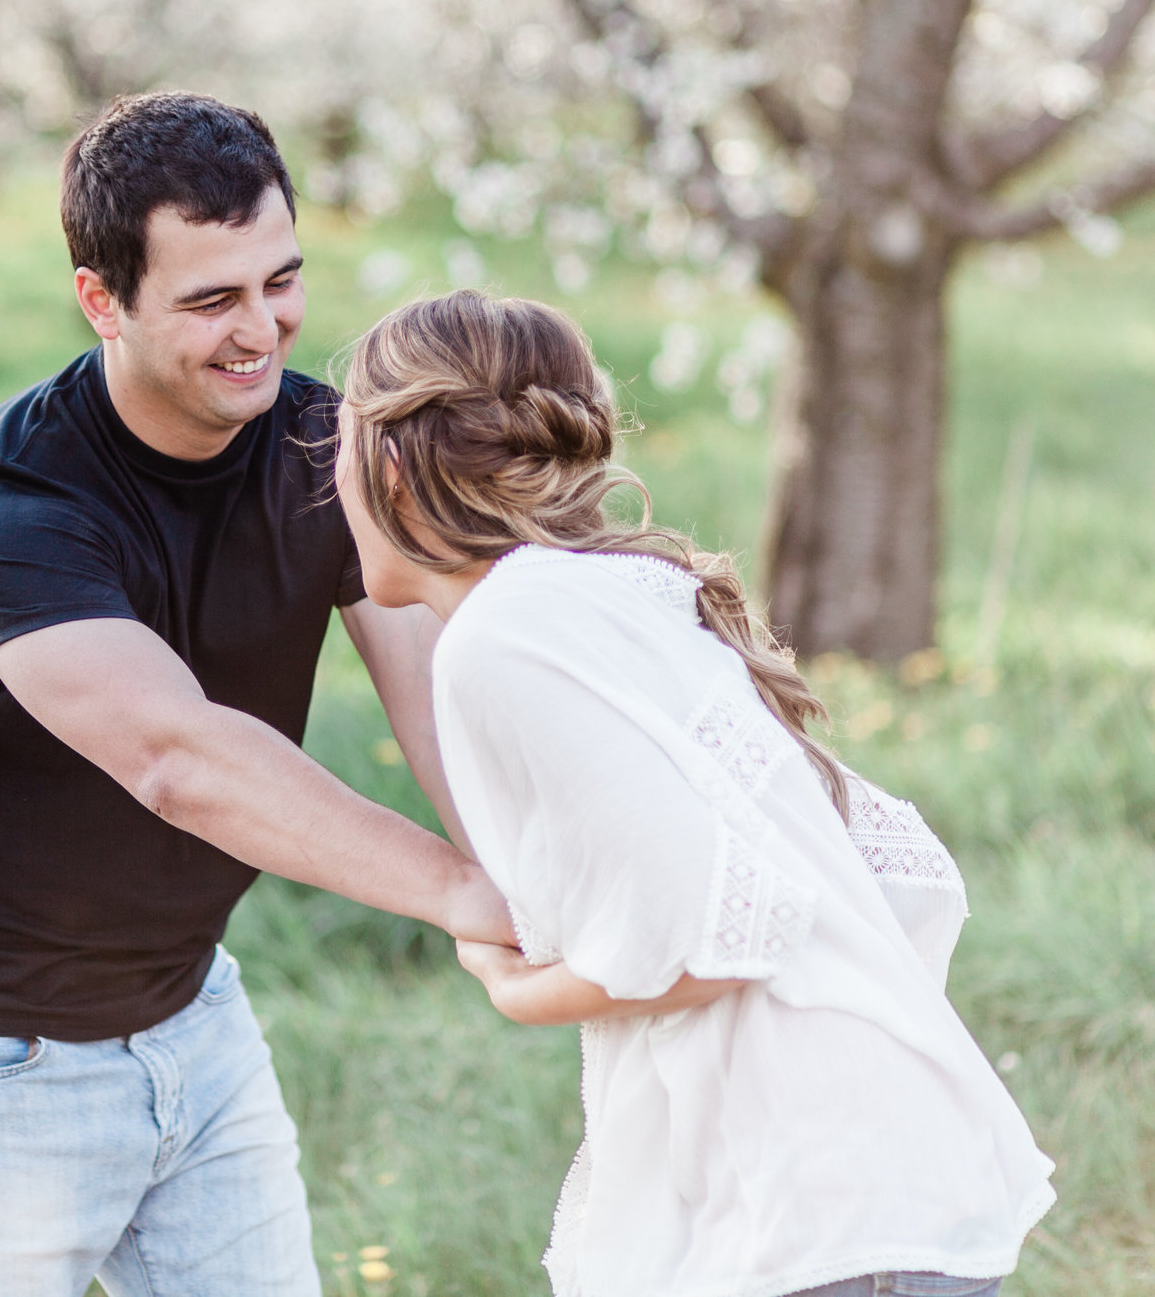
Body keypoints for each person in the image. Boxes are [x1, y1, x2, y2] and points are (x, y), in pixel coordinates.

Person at [0, 93, 510, 1297]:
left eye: (280, 280)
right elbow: (176, 758)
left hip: (190, 1008)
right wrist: (463, 892)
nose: (263, 330)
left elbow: (433, 676)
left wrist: (524, 861)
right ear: (102, 298)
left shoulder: (322, 445)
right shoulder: (2, 511)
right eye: (211, 300)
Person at [332, 290, 1057, 1297]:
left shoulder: (501, 638)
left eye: (338, 444)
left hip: (808, 1217)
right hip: (878, 1181)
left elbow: (719, 935)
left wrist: (514, 989)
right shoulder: (613, 594)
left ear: (393, 467)